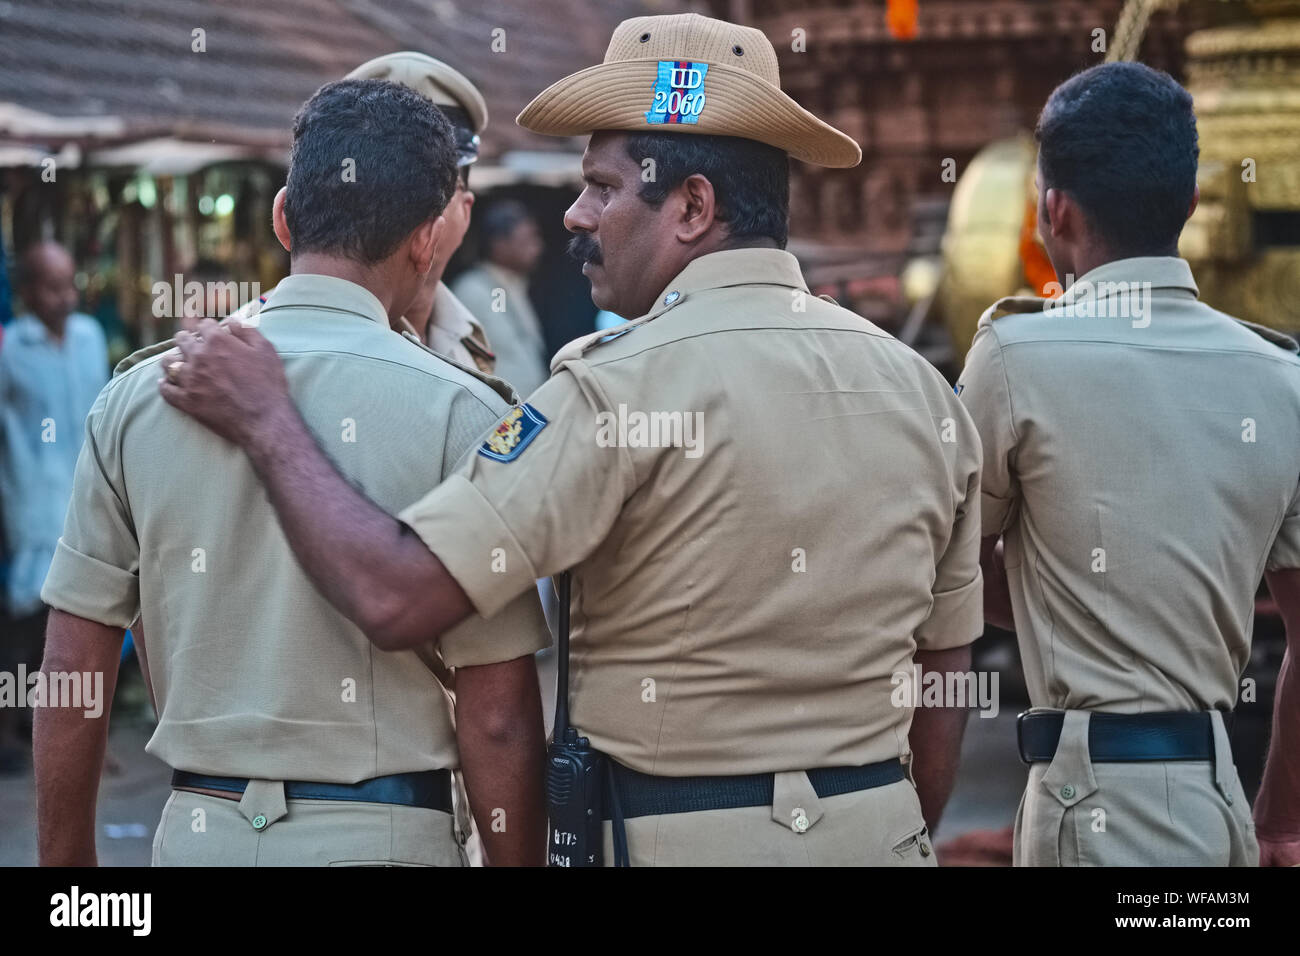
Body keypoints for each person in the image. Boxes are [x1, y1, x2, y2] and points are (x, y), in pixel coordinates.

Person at [158, 12, 984, 867]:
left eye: (601, 185)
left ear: (693, 205)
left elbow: (397, 595)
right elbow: (946, 677)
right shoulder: (925, 393)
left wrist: (268, 421)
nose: (574, 216)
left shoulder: (613, 390)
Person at [35, 79, 549, 866]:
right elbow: (498, 713)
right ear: (426, 240)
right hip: (386, 840)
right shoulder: (466, 415)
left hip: (198, 834)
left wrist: (68, 881)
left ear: (283, 217)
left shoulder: (139, 399)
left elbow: (72, 666)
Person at [956, 61, 1300, 867]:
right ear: (1188, 205)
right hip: (1217, 809)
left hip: (1087, 805)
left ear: (1053, 209)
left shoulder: (1013, 359)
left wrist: (1061, 600)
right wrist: (1278, 819)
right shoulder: (1281, 380)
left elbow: (947, 573)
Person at [228, 51, 497, 376]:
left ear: (464, 211)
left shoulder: (471, 338)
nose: (396, 203)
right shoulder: (242, 347)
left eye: (431, 187)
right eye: (370, 175)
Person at [0, 242, 108, 771]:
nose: (65, 297)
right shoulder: (9, 349)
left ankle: (79, 742)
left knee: (84, 622)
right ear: (25, 292)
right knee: (26, 626)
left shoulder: (90, 337)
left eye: (69, 284)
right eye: (51, 286)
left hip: (85, 500)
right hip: (32, 502)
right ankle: (14, 736)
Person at [452, 201, 548, 395]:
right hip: (498, 414)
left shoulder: (508, 287)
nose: (537, 247)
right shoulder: (475, 290)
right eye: (527, 240)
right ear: (499, 244)